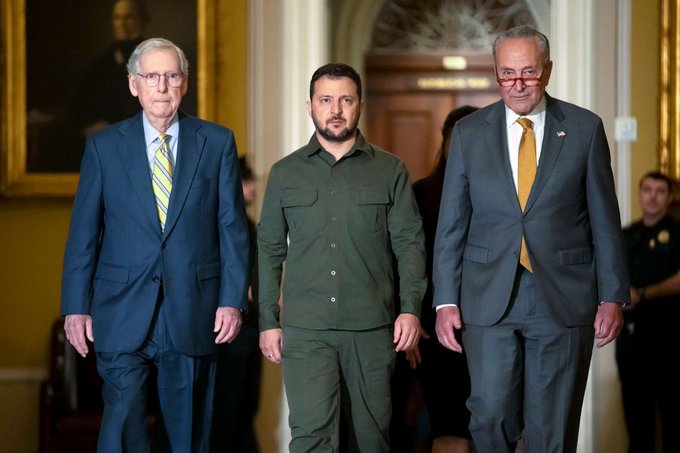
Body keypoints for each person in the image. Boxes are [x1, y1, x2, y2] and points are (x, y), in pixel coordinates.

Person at [432, 25, 629, 453]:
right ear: (496, 73)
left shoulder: (584, 128)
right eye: (507, 73)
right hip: (487, 295)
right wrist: (445, 299)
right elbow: (452, 224)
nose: (517, 84)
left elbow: (604, 220)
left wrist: (612, 295)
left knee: (551, 426)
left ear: (548, 70)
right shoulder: (468, 132)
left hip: (563, 295)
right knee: (490, 414)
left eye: (528, 72)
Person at [60, 37, 250, 452]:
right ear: (134, 84)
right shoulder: (104, 146)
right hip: (120, 308)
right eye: (151, 77)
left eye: (171, 76)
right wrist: (76, 306)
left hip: (194, 309)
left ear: (184, 83)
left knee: (186, 436)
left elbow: (232, 229)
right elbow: (83, 233)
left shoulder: (216, 142)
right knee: (122, 428)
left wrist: (232, 300)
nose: (162, 87)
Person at [257, 62, 427, 452]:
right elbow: (268, 250)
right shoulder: (284, 173)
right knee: (311, 440)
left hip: (371, 330)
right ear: (310, 106)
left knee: (371, 440)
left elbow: (409, 244)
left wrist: (410, 309)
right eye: (326, 100)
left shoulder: (390, 170)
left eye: (346, 100)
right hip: (306, 330)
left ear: (360, 105)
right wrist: (267, 321)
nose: (335, 110)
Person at [391, 106, 478, 453]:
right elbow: (401, 263)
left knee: (498, 428)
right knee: (448, 427)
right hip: (433, 329)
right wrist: (408, 315)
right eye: (456, 141)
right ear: (443, 143)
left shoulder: (498, 197)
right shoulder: (419, 195)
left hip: (488, 326)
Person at [617, 171, 680, 453]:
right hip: (632, 342)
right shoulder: (626, 234)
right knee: (637, 424)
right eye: (648, 190)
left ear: (669, 197)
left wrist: (642, 294)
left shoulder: (677, 233)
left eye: (660, 191)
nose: (653, 197)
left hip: (669, 340)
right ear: (640, 194)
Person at [211, 157, 262, 453]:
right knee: (230, 407)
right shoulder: (223, 224)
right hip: (233, 330)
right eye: (245, 180)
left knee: (245, 406)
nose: (251, 187)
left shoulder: (249, 225)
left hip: (251, 325)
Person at [72, 0, 149, 138]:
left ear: (141, 20)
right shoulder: (99, 66)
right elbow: (81, 107)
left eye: (128, 17)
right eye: (117, 18)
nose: (122, 23)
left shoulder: (153, 60)